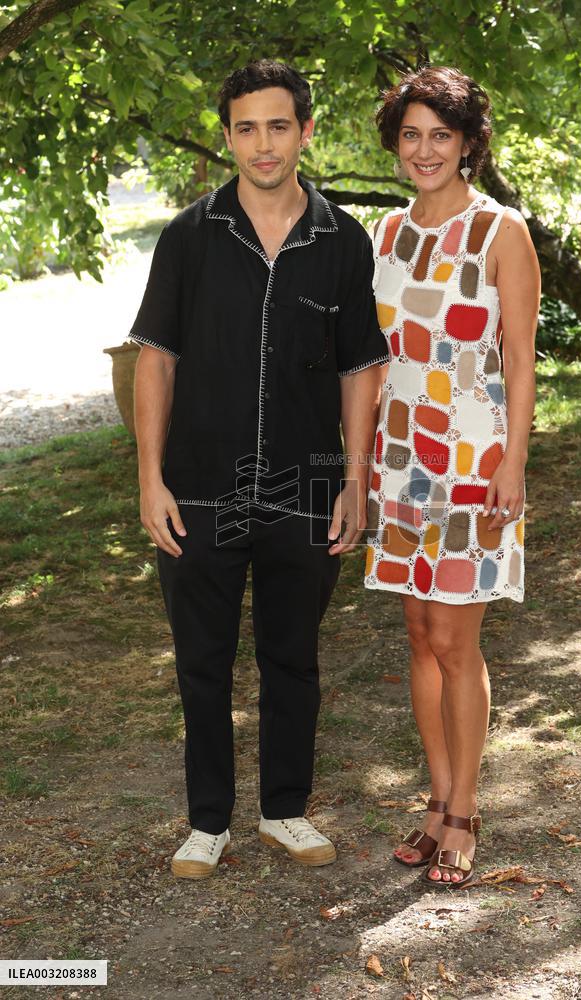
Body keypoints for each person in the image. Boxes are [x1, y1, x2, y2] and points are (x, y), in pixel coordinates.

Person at [129, 59, 389, 879]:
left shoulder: (342, 238)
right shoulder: (188, 235)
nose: (263, 143)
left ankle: (285, 810)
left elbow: (360, 369)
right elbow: (156, 360)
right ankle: (208, 822)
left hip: (306, 488)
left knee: (293, 660)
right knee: (200, 662)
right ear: (228, 136)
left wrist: (353, 478)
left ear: (305, 131)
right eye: (245, 127)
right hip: (198, 487)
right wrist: (149, 478)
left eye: (279, 125)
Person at [363, 66, 541, 887]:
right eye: (411, 134)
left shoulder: (501, 230)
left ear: (469, 143)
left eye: (442, 134)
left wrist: (514, 463)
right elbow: (370, 360)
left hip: (474, 461)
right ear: (395, 143)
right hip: (398, 461)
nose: (425, 149)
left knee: (456, 641)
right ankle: (434, 802)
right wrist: (356, 460)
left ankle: (465, 811)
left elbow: (517, 358)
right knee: (416, 637)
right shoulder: (386, 236)